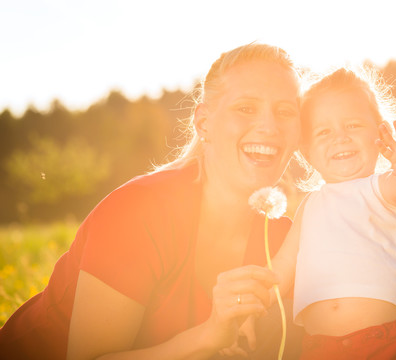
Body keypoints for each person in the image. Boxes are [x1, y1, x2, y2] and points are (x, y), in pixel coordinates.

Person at [0, 43, 304, 360]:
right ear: (204, 123)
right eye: (246, 108)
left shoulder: (282, 243)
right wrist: (206, 338)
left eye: (285, 111)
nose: (269, 127)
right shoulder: (138, 212)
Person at [271, 66, 396, 359]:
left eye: (353, 126)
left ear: (380, 134)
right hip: (319, 349)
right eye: (324, 131)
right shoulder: (309, 206)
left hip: (383, 342)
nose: (340, 138)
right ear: (305, 150)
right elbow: (280, 273)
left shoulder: (382, 190)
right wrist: (245, 313)